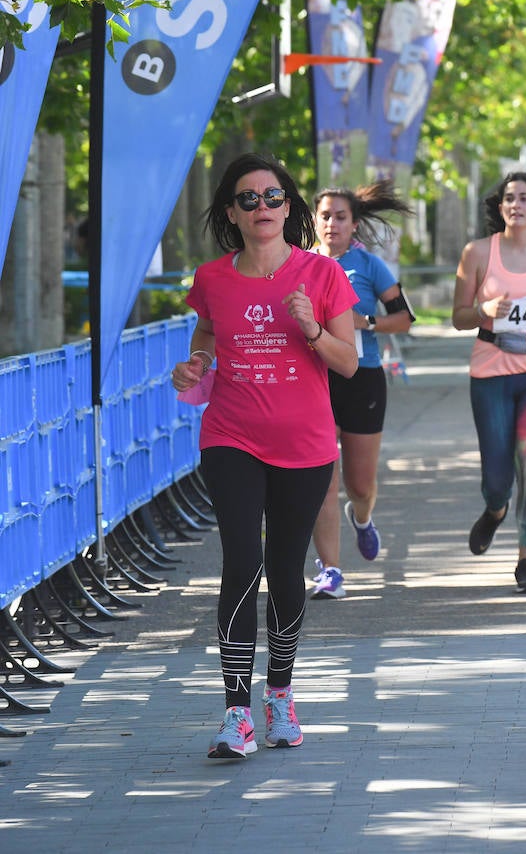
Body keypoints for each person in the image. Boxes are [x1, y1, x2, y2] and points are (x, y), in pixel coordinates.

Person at [170, 153, 359, 758]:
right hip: (231, 435)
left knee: (284, 569)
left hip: (304, 444)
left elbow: (348, 362)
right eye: (247, 199)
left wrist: (310, 327)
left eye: (272, 197)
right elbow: (205, 335)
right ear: (231, 211)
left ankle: (279, 694)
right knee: (241, 563)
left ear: (288, 206)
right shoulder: (212, 278)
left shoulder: (323, 275)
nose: (261, 208)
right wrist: (196, 364)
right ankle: (235, 712)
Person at [452, 171, 526, 593]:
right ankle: (495, 510)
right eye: (508, 199)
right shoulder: (478, 252)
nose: (515, 205)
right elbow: (458, 317)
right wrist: (485, 309)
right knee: (498, 477)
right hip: (491, 372)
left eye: (523, 198)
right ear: (500, 208)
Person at [307, 180, 415, 600]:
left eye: (340, 216)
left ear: (354, 224)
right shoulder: (299, 264)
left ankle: (363, 518)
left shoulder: (369, 267)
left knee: (360, 485)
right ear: (314, 221)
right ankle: (330, 570)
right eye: (325, 216)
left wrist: (364, 323)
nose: (332, 223)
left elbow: (404, 318)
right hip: (314, 379)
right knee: (322, 479)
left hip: (361, 376)